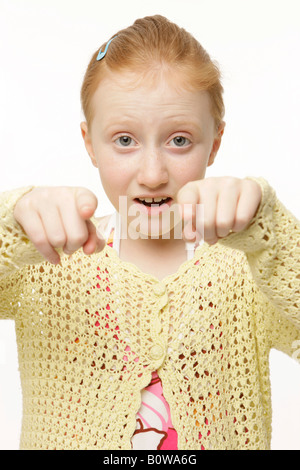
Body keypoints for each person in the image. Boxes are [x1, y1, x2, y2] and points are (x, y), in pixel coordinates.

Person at [0, 15, 299, 450]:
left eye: (179, 140)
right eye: (125, 140)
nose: (153, 174)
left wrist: (270, 229)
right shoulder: (47, 262)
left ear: (214, 143)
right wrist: (13, 222)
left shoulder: (248, 270)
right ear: (90, 144)